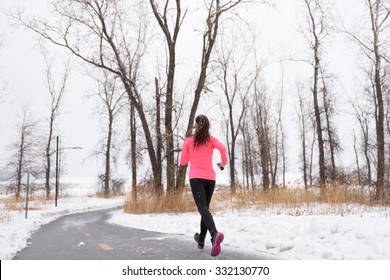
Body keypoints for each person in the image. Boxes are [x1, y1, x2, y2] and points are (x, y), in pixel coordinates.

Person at [179, 114, 228, 257]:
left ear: (195, 126)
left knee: (202, 208)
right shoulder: (211, 140)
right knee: (204, 209)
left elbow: (183, 162)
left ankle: (214, 234)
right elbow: (223, 149)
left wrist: (189, 154)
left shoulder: (189, 141)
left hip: (196, 178)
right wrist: (223, 163)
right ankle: (201, 240)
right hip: (210, 179)